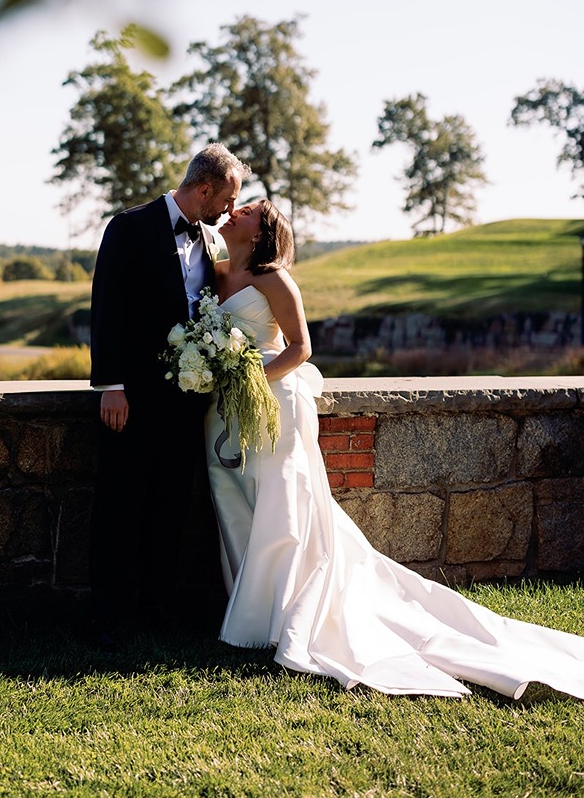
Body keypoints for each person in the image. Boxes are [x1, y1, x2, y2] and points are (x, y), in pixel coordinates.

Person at [205, 198, 584, 698]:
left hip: (273, 401)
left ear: (262, 232)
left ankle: (280, 618)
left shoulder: (275, 278)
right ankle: (247, 608)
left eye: (249, 210)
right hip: (222, 409)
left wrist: (248, 379)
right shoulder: (212, 271)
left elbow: (301, 348)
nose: (237, 210)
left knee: (282, 504)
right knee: (235, 500)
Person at [89, 143, 250, 646]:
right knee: (121, 502)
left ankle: (159, 609)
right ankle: (111, 616)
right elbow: (106, 307)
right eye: (225, 200)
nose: (228, 211)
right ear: (205, 188)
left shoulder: (207, 239)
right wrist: (111, 386)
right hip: (132, 399)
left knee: (171, 503)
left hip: (185, 403)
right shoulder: (127, 227)